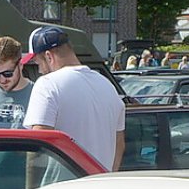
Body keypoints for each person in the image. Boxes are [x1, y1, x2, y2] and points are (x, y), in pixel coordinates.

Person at [21, 25, 125, 170]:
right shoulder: (107, 86)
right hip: (101, 185)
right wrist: (108, 177)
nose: (38, 69)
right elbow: (119, 143)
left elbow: (38, 146)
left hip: (63, 188)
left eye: (37, 62)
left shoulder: (47, 84)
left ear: (49, 56)